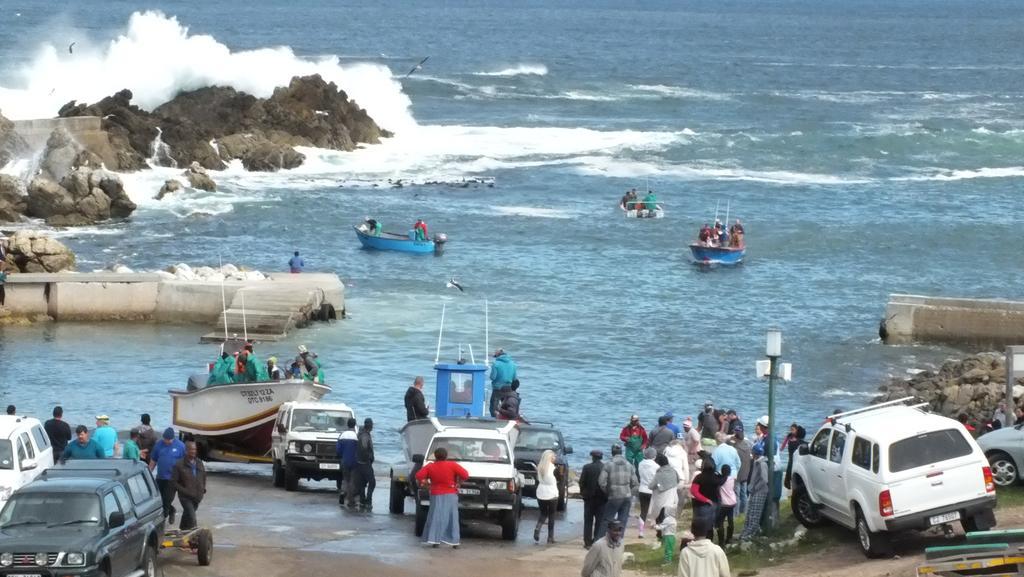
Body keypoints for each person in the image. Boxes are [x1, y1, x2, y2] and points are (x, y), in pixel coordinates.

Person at [415, 447, 470, 548]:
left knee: (436, 516)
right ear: (446, 456)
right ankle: (454, 542)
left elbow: (418, 475)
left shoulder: (430, 466)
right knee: (452, 517)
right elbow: (465, 475)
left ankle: (435, 540)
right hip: (451, 493)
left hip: (436, 494)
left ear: (435, 456)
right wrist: (458, 483)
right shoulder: (452, 465)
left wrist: (426, 483)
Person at [150, 428, 186, 524]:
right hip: (160, 477)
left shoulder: (181, 446)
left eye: (168, 440)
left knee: (167, 500)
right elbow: (153, 460)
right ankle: (172, 510)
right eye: (165, 439)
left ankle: (162, 523)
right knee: (159, 500)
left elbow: (185, 463)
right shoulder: (158, 445)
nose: (166, 441)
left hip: (172, 479)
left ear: (173, 438)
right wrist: (148, 474)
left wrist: (184, 478)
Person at [599, 444, 638, 532]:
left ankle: (601, 541)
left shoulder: (608, 465)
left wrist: (607, 492)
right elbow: (635, 483)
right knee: (622, 521)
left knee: (606, 520)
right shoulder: (629, 465)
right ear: (622, 452)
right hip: (627, 496)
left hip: (614, 496)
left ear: (612, 453)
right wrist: (629, 492)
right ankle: (618, 541)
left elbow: (601, 482)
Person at [172, 441, 207, 531]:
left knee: (187, 514)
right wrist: (184, 490)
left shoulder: (199, 462)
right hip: (185, 497)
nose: (193, 451)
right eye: (191, 449)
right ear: (186, 451)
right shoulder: (179, 464)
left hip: (197, 496)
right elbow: (174, 482)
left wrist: (203, 488)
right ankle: (195, 537)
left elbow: (203, 476)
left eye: (194, 449)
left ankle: (182, 529)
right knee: (192, 518)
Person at [739, 443, 769, 541]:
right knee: (750, 513)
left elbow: (765, 480)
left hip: (759, 492)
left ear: (755, 453)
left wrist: (755, 488)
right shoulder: (757, 462)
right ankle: (746, 531)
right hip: (754, 491)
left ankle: (750, 533)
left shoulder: (762, 464)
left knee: (755, 513)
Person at [648, 453, 680, 540]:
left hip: (662, 499)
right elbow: (678, 480)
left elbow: (651, 486)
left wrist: (658, 485)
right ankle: (667, 535)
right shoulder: (673, 471)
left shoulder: (659, 474)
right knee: (669, 518)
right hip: (673, 498)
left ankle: (660, 536)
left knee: (660, 518)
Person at [580, 450, 607, 548]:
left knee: (588, 521)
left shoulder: (587, 467)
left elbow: (581, 482)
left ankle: (587, 542)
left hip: (589, 498)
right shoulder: (605, 468)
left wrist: (583, 493)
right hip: (602, 498)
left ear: (592, 457)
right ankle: (596, 540)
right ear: (601, 457)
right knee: (599, 521)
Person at [690, 459, 720, 539]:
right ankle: (709, 544)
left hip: (700, 505)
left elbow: (694, 491)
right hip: (714, 504)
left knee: (699, 526)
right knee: (710, 526)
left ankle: (697, 544)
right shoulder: (716, 477)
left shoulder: (699, 477)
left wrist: (705, 500)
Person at [534, 449, 559, 544]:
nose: (555, 458)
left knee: (543, 513)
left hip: (541, 492)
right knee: (552, 515)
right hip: (552, 493)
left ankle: (538, 527)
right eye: (554, 457)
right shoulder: (554, 468)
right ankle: (550, 537)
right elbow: (559, 479)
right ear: (550, 458)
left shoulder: (540, 467)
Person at [353, 418, 375, 511]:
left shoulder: (361, 434)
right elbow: (364, 448)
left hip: (358, 463)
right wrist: (369, 458)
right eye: (372, 425)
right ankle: (368, 501)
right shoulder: (365, 435)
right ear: (369, 425)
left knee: (362, 483)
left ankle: (362, 501)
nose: (372, 426)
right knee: (372, 482)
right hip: (365, 463)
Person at [336, 418, 359, 507]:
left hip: (344, 460)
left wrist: (341, 455)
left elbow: (338, 450)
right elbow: (359, 450)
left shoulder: (342, 435)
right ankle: (350, 501)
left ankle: (343, 492)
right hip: (354, 461)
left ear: (347, 424)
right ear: (354, 425)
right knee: (352, 480)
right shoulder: (356, 436)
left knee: (345, 479)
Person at [729, 431, 753, 514]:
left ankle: (736, 513)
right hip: (746, 473)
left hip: (738, 474)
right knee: (744, 495)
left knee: (737, 495)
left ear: (736, 438)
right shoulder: (748, 446)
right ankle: (744, 512)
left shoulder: (735, 449)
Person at [636, 448, 658, 539]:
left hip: (642, 489)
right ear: (654, 456)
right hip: (652, 490)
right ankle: (655, 525)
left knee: (643, 511)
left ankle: (641, 532)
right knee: (655, 509)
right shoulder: (656, 466)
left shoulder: (640, 464)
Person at [488, 349, 517, 417]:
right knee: (506, 406)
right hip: (509, 388)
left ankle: (494, 419)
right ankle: (504, 419)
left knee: (494, 407)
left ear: (497, 355)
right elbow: (514, 378)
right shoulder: (513, 364)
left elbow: (493, 377)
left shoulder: (496, 364)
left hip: (498, 388)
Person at [716, 464, 736, 546]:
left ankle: (721, 542)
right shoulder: (732, 479)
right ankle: (729, 538)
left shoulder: (720, 481)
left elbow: (719, 482)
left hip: (724, 504)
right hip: (732, 502)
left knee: (720, 522)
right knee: (730, 520)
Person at [782, 424, 806, 490]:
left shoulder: (793, 441)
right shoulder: (799, 442)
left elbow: (784, 445)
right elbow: (784, 444)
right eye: (791, 429)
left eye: (793, 430)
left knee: (790, 473)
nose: (791, 431)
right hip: (794, 459)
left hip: (792, 459)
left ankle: (790, 485)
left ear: (797, 431)